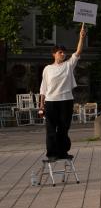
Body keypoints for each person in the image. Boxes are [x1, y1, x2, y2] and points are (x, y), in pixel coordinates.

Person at [38, 25, 86, 161]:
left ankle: (63, 152)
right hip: (51, 102)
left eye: (64, 52)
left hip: (66, 100)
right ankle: (52, 154)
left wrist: (81, 37)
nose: (63, 54)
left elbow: (78, 51)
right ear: (54, 54)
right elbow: (43, 87)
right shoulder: (47, 69)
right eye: (60, 52)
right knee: (51, 128)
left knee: (64, 128)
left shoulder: (68, 65)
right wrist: (41, 105)